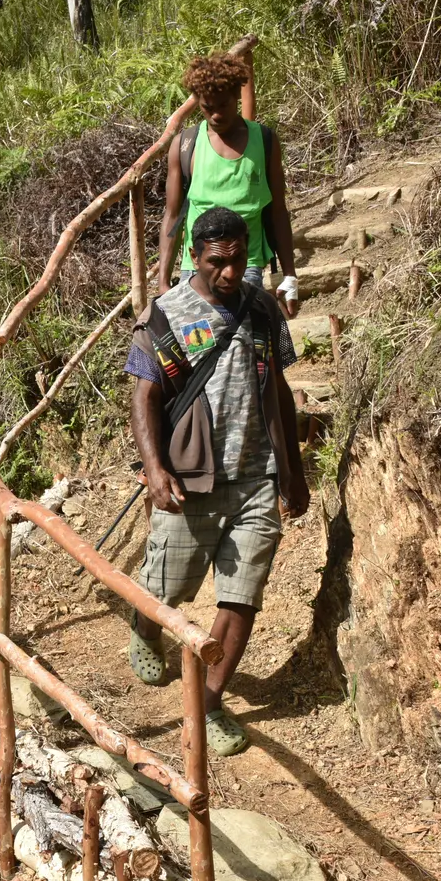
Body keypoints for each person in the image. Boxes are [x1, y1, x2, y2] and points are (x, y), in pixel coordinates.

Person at [125, 205, 309, 757]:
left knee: (242, 597)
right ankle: (146, 622)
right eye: (217, 263)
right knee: (170, 588)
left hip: (256, 476)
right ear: (195, 258)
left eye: (238, 259)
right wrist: (156, 470)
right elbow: (144, 396)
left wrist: (291, 471)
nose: (230, 273)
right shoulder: (164, 315)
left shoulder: (261, 310)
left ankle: (206, 703)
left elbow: (277, 388)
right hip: (191, 479)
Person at [157, 49, 301, 319]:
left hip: (246, 266)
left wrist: (290, 275)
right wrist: (164, 280)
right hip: (196, 269)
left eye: (222, 105)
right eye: (207, 108)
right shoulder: (185, 145)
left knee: (244, 347)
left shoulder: (265, 142)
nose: (215, 116)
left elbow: (278, 210)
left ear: (237, 95)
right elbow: (172, 215)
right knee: (197, 351)